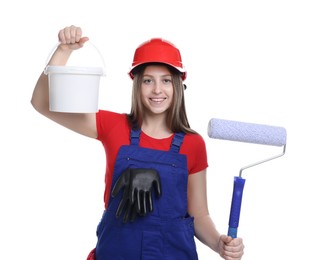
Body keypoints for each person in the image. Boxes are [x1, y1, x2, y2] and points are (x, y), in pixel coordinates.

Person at [31, 25, 244, 260]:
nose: (157, 90)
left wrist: (218, 243)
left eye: (165, 80)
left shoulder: (193, 144)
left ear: (177, 85)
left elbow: (199, 215)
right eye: (147, 81)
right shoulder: (113, 126)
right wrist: (63, 51)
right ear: (136, 84)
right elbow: (41, 103)